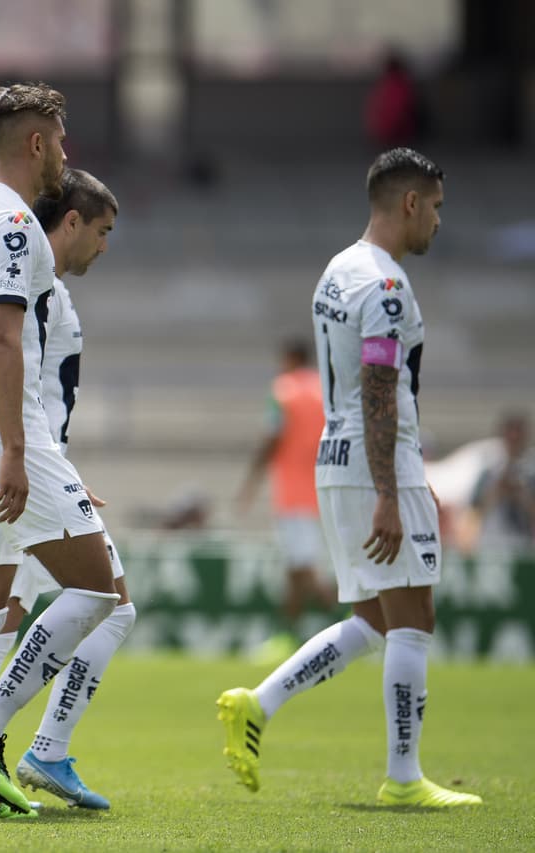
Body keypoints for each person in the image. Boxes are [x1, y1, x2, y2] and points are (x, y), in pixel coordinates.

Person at [217, 148, 482, 808]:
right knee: (414, 617)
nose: (439, 224)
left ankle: (259, 701)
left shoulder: (338, 269)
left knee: (371, 617)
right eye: (437, 209)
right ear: (410, 204)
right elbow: (379, 386)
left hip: (337, 462)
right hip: (378, 464)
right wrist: (393, 493)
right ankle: (403, 776)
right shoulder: (387, 286)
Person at [0, 83, 121, 820]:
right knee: (97, 589)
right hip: (2, 432)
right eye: (62, 142)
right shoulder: (14, 222)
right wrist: (19, 449)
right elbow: (4, 336)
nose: (66, 156)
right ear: (37, 143)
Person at [0, 168, 132, 812]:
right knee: (104, 602)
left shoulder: (46, 288)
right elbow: (9, 366)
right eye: (101, 232)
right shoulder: (37, 285)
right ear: (70, 221)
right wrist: (31, 458)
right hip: (24, 469)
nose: (105, 246)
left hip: (36, 464)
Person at [236, 338, 335, 656]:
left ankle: (358, 624)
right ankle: (287, 638)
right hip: (321, 488)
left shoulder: (284, 390)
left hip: (292, 493)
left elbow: (272, 436)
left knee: (304, 569)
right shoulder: (324, 390)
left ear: (289, 358)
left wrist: (251, 483)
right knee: (294, 571)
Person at [469, 411, 535, 552]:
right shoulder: (489, 468)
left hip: (522, 542)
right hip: (492, 541)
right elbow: (475, 510)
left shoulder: (531, 470)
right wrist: (498, 490)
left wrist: (521, 495)